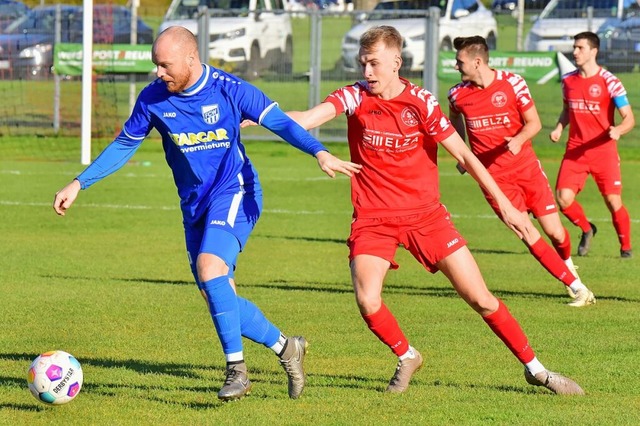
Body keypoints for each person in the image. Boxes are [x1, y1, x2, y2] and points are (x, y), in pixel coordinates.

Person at [261, 25, 585, 395]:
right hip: (373, 218)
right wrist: (257, 116)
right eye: (363, 64)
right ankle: (407, 354)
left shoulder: (422, 103)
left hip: (426, 217)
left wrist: (506, 205)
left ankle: (537, 370)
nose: (367, 73)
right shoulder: (354, 96)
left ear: (396, 63)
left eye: (374, 64)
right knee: (368, 300)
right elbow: (310, 116)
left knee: (481, 298)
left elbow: (464, 153)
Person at [52, 26, 361, 402]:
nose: (159, 73)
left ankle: (237, 371)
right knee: (217, 294)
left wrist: (319, 151)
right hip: (194, 206)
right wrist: (79, 182)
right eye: (156, 66)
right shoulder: (152, 99)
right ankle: (286, 347)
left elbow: (280, 121)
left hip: (236, 192)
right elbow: (123, 145)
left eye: (165, 66)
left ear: (190, 59)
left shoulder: (230, 89)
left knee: (210, 268)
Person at [447, 35, 595, 307]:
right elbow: (454, 119)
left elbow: (534, 123)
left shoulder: (513, 84)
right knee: (525, 231)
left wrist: (517, 139)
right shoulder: (457, 94)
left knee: (556, 232)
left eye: (460, 61)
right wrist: (462, 151)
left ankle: (567, 266)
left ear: (477, 61)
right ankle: (577, 288)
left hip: (526, 170)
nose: (456, 66)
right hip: (492, 181)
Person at [549, 31, 635, 259]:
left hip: (603, 152)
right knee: (563, 198)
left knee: (612, 201)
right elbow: (567, 109)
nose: (575, 52)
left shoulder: (610, 81)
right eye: (574, 47)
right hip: (575, 150)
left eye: (580, 48)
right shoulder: (568, 80)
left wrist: (618, 129)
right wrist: (559, 127)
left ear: (593, 51)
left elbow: (629, 118)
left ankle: (625, 248)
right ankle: (587, 229)